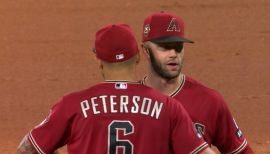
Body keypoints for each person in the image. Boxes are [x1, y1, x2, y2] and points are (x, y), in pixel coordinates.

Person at [17, 24, 216, 154]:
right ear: (138, 57)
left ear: (99, 60)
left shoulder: (72, 105)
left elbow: (25, 151)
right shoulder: (169, 107)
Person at [141, 11, 254, 154]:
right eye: (165, 47)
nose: (173, 54)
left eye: (178, 47)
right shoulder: (129, 101)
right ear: (146, 50)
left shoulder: (209, 101)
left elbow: (242, 152)